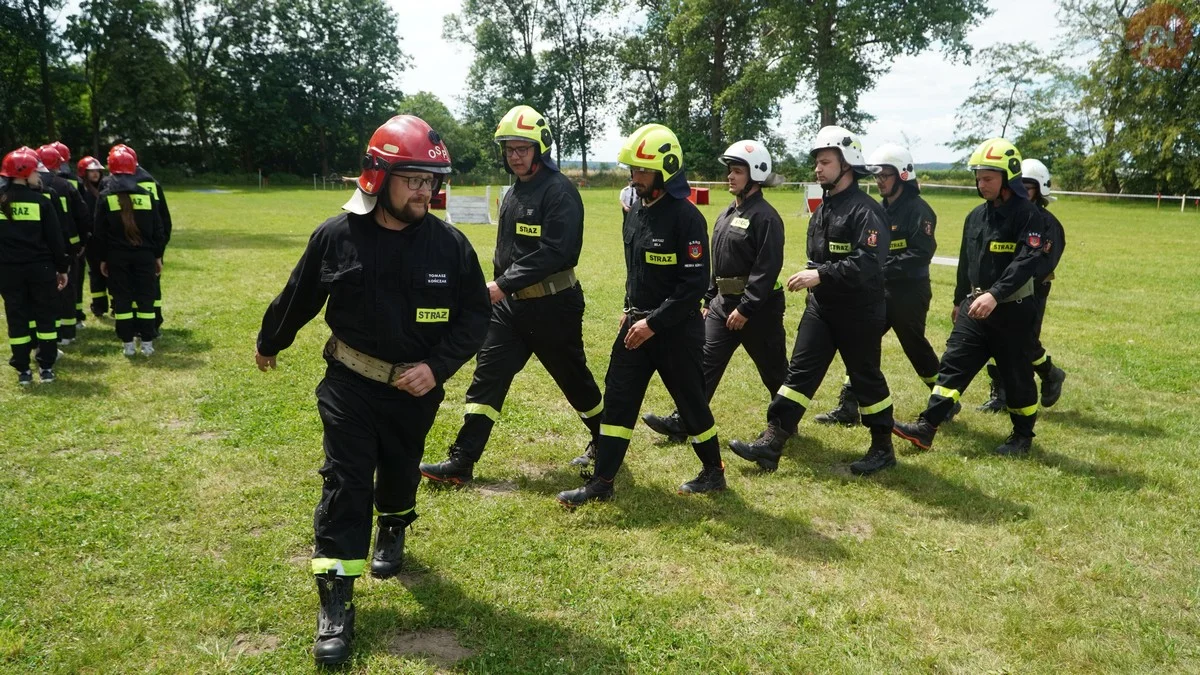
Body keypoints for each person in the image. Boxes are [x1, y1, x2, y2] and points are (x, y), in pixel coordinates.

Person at [253, 115, 489, 665]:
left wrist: (437, 367)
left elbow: (475, 318)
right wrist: (270, 341)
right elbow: (299, 296)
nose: (425, 191)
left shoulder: (451, 247)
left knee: (402, 465)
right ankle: (336, 601)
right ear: (377, 176)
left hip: (414, 391)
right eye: (413, 179)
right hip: (349, 385)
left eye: (432, 181)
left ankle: (396, 527)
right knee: (347, 480)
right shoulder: (337, 236)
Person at [419, 105, 604, 484]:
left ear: (541, 148)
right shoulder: (516, 191)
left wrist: (502, 285)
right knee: (488, 375)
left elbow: (558, 252)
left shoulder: (560, 192)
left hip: (554, 306)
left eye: (522, 148)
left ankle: (605, 441)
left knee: (575, 381)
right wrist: (499, 285)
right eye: (509, 149)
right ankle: (462, 461)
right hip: (509, 309)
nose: (515, 156)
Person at [556, 123, 725, 508]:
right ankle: (603, 482)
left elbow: (692, 287)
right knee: (618, 398)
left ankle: (714, 472)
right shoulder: (634, 212)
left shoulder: (688, 219)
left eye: (643, 170)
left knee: (691, 402)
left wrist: (653, 323)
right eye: (633, 169)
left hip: (675, 331)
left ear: (667, 169)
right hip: (636, 325)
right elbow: (637, 271)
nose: (635, 177)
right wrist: (628, 310)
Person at [727, 126, 897, 476]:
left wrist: (821, 274)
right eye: (817, 163)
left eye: (825, 162)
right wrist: (815, 273)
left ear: (847, 164)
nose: (818, 169)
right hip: (821, 308)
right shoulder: (824, 208)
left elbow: (869, 261)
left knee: (865, 378)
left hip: (859, 310)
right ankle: (772, 443)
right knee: (798, 375)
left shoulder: (866, 211)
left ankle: (883, 448)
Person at [893, 137, 1046, 457]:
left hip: (1013, 308)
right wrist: (959, 299)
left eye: (988, 178)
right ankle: (927, 426)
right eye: (978, 177)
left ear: (1009, 177)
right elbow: (968, 261)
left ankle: (1022, 437)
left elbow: (1026, 261)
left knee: (1016, 375)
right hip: (975, 307)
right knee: (953, 365)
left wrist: (995, 294)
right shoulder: (975, 216)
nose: (981, 183)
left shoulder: (1030, 216)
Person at [641, 139, 787, 442]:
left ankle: (785, 422)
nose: (730, 177)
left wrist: (747, 307)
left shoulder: (766, 216)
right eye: (730, 171)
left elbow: (767, 267)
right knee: (703, 362)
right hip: (722, 304)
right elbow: (715, 260)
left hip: (759, 310)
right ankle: (685, 419)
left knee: (773, 370)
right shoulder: (725, 214)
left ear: (756, 174)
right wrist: (709, 297)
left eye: (737, 171)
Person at [814, 143, 958, 425]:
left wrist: (879, 269)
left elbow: (919, 254)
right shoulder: (876, 209)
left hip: (909, 293)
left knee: (913, 345)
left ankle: (945, 400)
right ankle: (848, 406)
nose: (880, 181)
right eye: (877, 176)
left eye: (886, 176)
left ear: (903, 175)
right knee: (861, 343)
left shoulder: (919, 211)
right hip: (878, 290)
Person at [0, 147, 69, 385]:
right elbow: (55, 239)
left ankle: (23, 370)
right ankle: (47, 367)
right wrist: (62, 268)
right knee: (45, 316)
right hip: (41, 270)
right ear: (26, 172)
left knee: (16, 317)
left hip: (8, 271)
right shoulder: (41, 202)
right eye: (35, 171)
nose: (38, 176)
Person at [91, 145, 165, 356]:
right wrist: (157, 255)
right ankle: (148, 342)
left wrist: (103, 259)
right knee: (146, 297)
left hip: (116, 257)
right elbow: (157, 229)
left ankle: (128, 345)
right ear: (133, 168)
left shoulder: (105, 197)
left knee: (122, 298)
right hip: (145, 255)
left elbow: (99, 233)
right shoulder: (146, 195)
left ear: (111, 170)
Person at [1019, 158, 1067, 407]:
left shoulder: (1049, 225)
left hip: (1033, 292)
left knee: (1026, 341)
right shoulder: (1009, 216)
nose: (1021, 193)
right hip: (1002, 291)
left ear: (1039, 190)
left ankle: (1051, 374)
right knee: (994, 339)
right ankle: (999, 393)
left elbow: (1043, 265)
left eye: (1027, 188)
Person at [37, 145, 88, 342]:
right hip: (67, 246)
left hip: (39, 249)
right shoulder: (67, 185)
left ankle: (51, 331)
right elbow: (82, 215)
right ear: (60, 163)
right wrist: (82, 240)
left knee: (44, 292)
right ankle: (68, 332)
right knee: (68, 286)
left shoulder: (30, 187)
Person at [76, 156, 109, 316]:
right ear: (84, 173)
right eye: (91, 171)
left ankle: (117, 304)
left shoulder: (107, 188)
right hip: (92, 239)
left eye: (97, 171)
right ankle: (99, 305)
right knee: (96, 272)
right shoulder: (81, 192)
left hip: (107, 238)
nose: (95, 174)